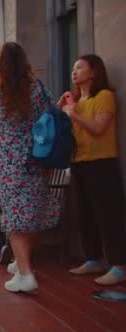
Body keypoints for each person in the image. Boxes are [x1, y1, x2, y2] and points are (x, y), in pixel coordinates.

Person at [0, 42, 60, 293]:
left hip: (8, 159)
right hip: (35, 156)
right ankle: (22, 263)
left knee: (13, 216)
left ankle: (25, 274)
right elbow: (51, 116)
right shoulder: (37, 89)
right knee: (31, 212)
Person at [60, 55, 126, 286]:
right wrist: (62, 110)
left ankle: (119, 265)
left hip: (102, 162)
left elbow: (99, 128)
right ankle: (93, 258)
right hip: (80, 161)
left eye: (80, 68)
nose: (74, 72)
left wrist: (74, 114)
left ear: (94, 71)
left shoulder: (105, 96)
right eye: (73, 68)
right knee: (86, 214)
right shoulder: (77, 100)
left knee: (109, 215)